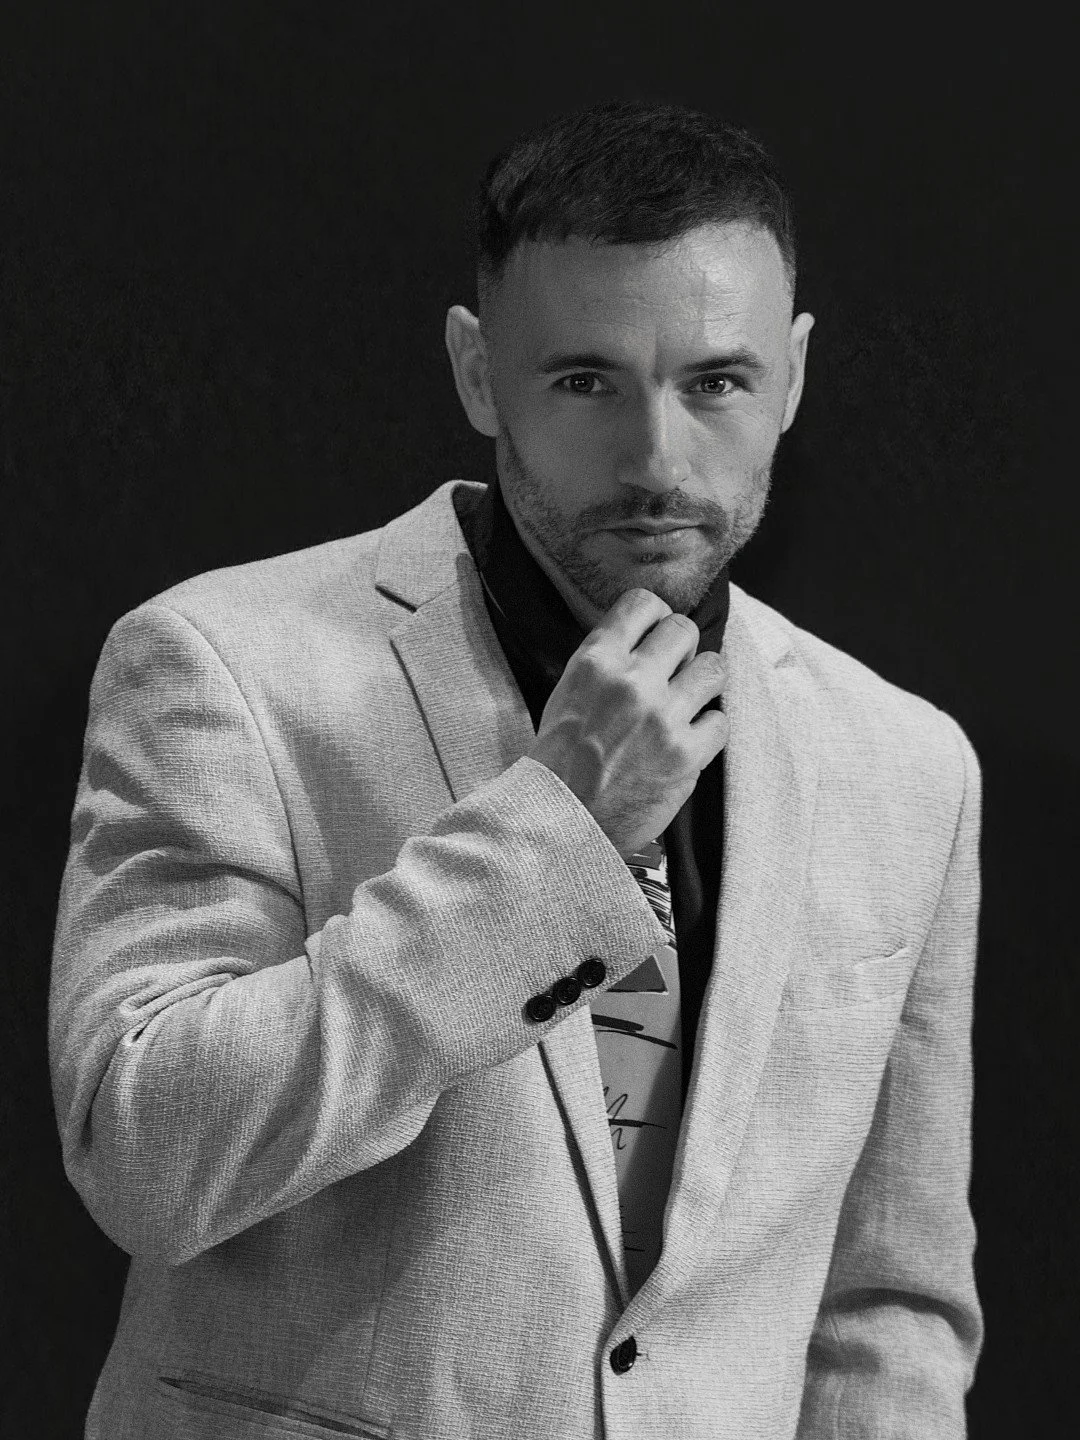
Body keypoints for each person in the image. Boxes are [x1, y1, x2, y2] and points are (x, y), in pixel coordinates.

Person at [50, 100, 983, 1439]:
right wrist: (553, 839)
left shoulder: (907, 765)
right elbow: (147, 1157)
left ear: (793, 374)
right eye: (586, 380)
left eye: (716, 382)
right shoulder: (220, 668)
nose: (659, 461)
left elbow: (886, 1305)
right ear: (479, 374)